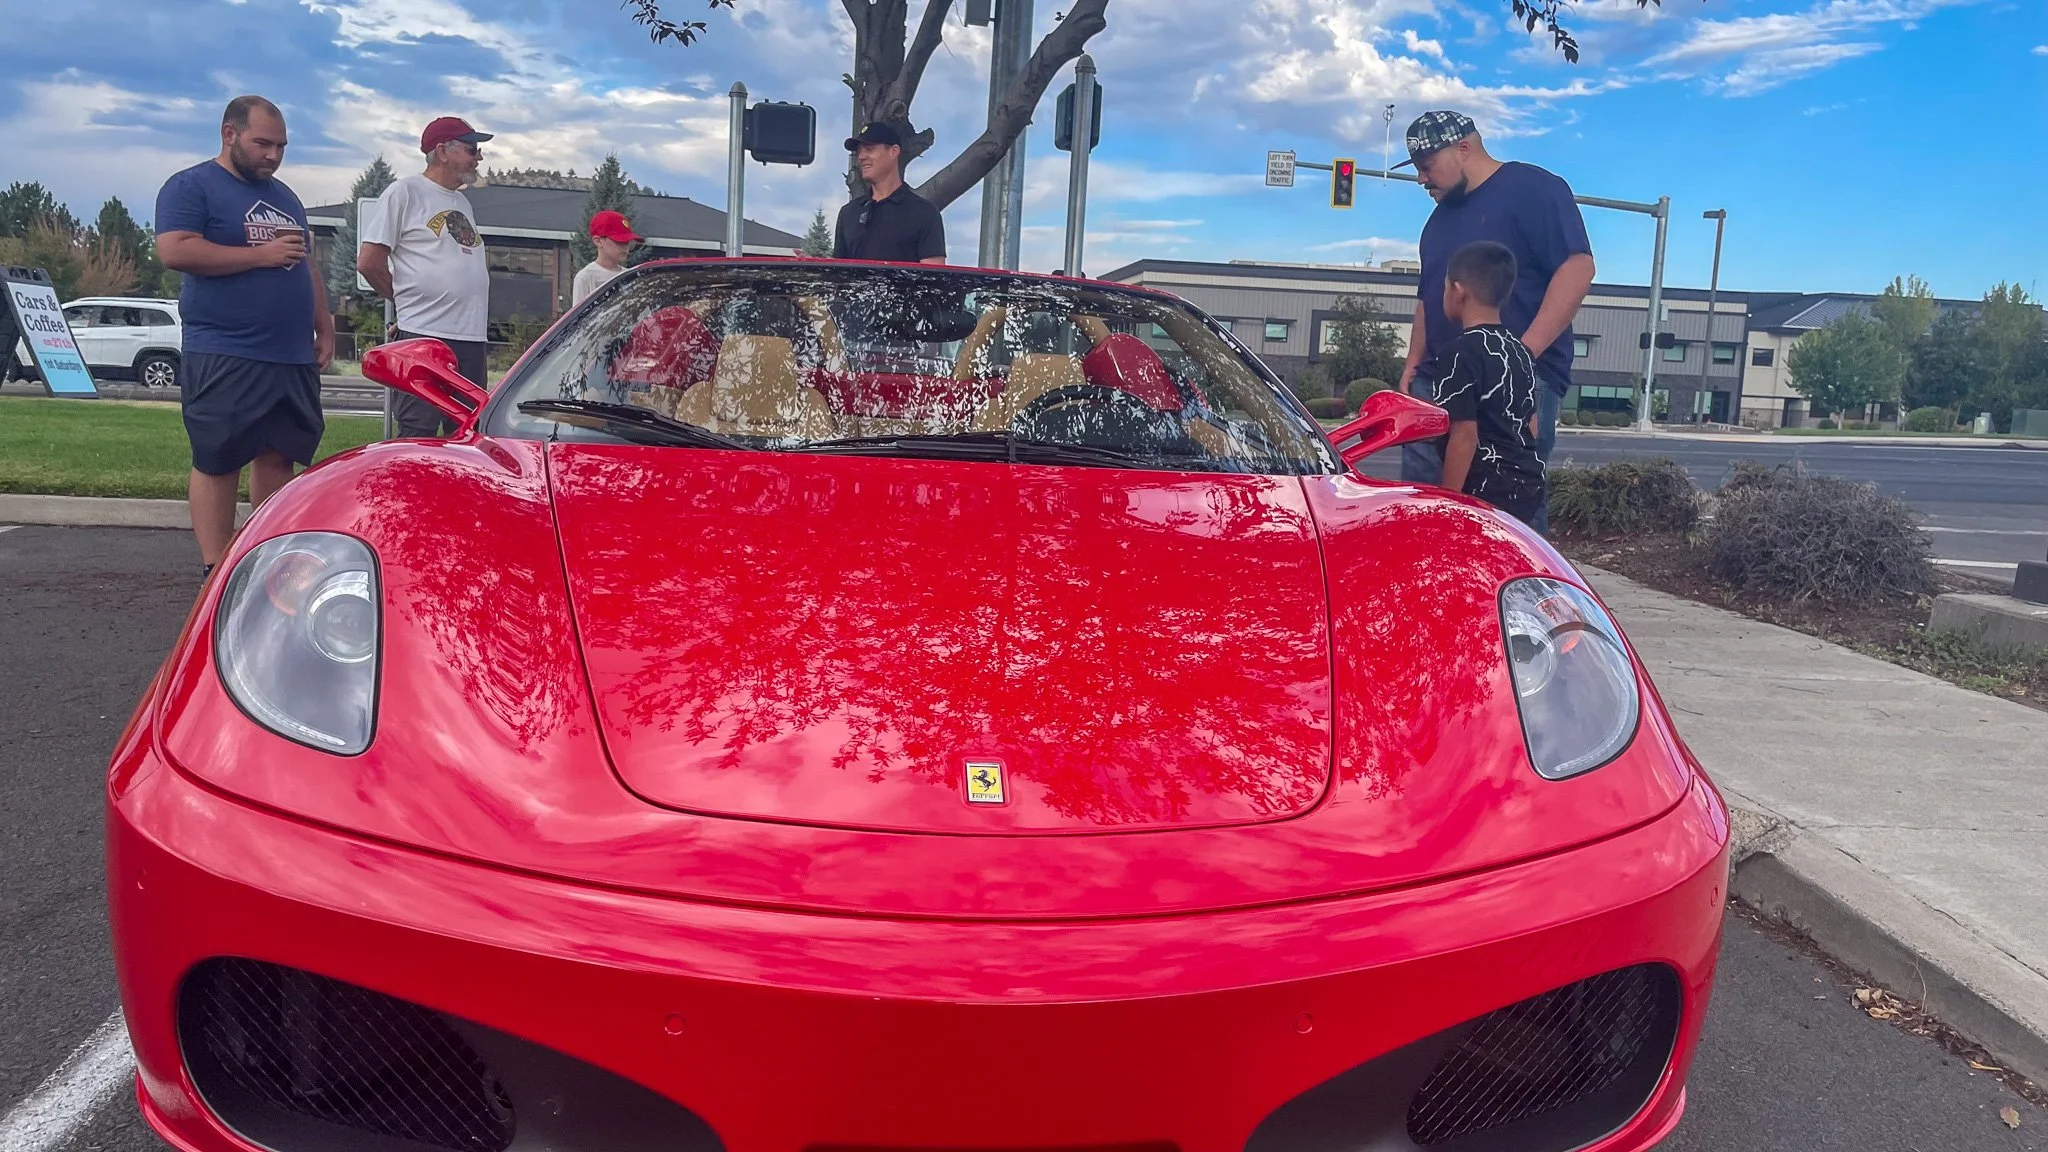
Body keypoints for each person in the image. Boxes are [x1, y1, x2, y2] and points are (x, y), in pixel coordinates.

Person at [155, 95, 334, 579]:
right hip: (227, 350)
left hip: (289, 354)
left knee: (280, 456)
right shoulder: (191, 187)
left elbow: (305, 262)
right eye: (262, 144)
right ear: (229, 134)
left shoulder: (287, 197)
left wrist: (324, 322)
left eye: (280, 146)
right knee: (219, 457)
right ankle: (216, 569)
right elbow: (175, 250)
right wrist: (260, 256)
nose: (273, 155)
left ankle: (268, 559)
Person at [1392, 110, 1593, 534]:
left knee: (1508, 510)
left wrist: (1519, 356)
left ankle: (1517, 593)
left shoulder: (1534, 189)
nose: (1421, 179)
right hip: (1439, 378)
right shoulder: (1438, 222)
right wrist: (1414, 358)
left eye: (1427, 166)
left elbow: (1578, 268)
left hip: (1515, 379)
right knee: (1428, 509)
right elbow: (1428, 293)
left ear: (1463, 148)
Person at [359, 115, 494, 437]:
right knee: (418, 432)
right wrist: (405, 301)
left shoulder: (462, 202)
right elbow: (369, 261)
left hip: (471, 338)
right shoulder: (405, 192)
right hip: (424, 336)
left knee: (466, 431)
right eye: (471, 149)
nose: (479, 158)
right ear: (443, 151)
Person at [1435, 241, 1545, 527]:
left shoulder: (1458, 353)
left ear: (1458, 291)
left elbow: (1464, 435)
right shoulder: (1520, 351)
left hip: (1484, 490)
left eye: (1445, 287)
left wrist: (1449, 503)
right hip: (1526, 485)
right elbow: (1531, 425)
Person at [833, 123, 947, 265]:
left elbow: (934, 280)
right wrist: (808, 266)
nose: (861, 157)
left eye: (869, 149)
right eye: (859, 151)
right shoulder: (848, 213)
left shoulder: (925, 213)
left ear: (893, 151)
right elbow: (837, 276)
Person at [573, 209, 641, 305]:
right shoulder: (585, 278)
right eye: (619, 241)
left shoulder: (630, 276)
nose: (625, 247)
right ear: (598, 241)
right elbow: (579, 318)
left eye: (627, 242)